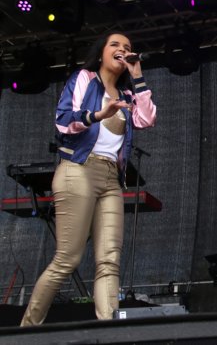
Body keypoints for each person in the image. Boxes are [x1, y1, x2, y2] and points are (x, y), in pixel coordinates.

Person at [21, 32, 157, 326]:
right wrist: (97, 114)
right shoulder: (84, 78)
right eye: (115, 45)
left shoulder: (127, 95)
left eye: (127, 47)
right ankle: (26, 331)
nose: (122, 49)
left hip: (111, 179)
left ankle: (109, 332)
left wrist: (138, 76)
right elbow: (63, 120)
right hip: (78, 169)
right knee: (67, 259)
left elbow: (146, 119)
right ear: (101, 53)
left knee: (109, 261)